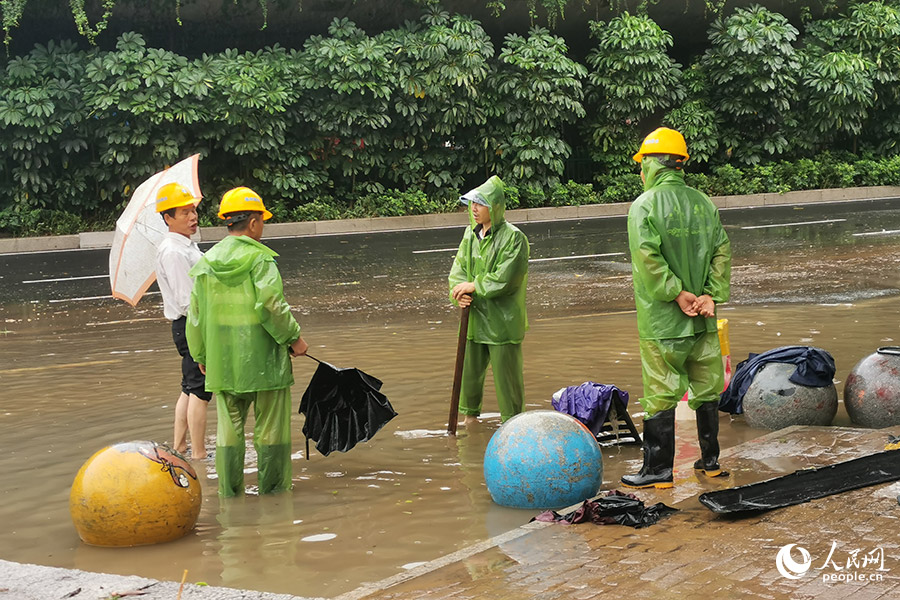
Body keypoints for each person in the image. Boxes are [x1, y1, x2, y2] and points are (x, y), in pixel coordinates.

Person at [621, 127, 731, 489]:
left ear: (652, 164)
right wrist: (709, 295)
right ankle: (710, 463)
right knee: (707, 387)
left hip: (664, 321)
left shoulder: (644, 206)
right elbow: (720, 251)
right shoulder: (704, 203)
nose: (640, 172)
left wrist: (675, 293)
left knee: (660, 391)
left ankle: (658, 471)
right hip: (702, 316)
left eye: (642, 164)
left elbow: (647, 258)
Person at [186, 187, 308, 497]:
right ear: (253, 223)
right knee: (271, 429)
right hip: (265, 360)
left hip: (224, 361)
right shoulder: (260, 260)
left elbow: (195, 318)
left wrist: (201, 354)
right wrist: (294, 338)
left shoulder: (206, 263)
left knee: (228, 430)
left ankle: (230, 494)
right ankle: (275, 494)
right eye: (262, 221)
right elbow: (271, 306)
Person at [449, 175, 529, 426]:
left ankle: (514, 426)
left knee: (508, 383)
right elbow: (458, 270)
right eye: (471, 203)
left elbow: (506, 278)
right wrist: (458, 295)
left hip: (502, 322)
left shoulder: (514, 238)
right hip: (472, 318)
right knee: (469, 380)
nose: (473, 209)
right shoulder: (470, 235)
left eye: (480, 203)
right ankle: (469, 425)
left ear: (494, 206)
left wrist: (474, 285)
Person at [155, 182, 212, 460]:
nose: (193, 217)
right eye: (185, 213)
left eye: (193, 211)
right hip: (191, 324)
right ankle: (199, 454)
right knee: (200, 390)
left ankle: (180, 447)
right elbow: (186, 300)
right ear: (167, 218)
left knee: (188, 387)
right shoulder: (173, 251)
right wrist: (206, 330)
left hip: (188, 325)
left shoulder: (186, 246)